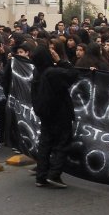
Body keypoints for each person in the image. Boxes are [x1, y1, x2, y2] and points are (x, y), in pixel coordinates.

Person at [31, 44, 81, 189]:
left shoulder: (38, 72)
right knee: (62, 143)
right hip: (60, 113)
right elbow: (73, 73)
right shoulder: (52, 72)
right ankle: (54, 174)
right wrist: (60, 60)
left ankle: (41, 176)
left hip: (45, 114)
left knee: (45, 143)